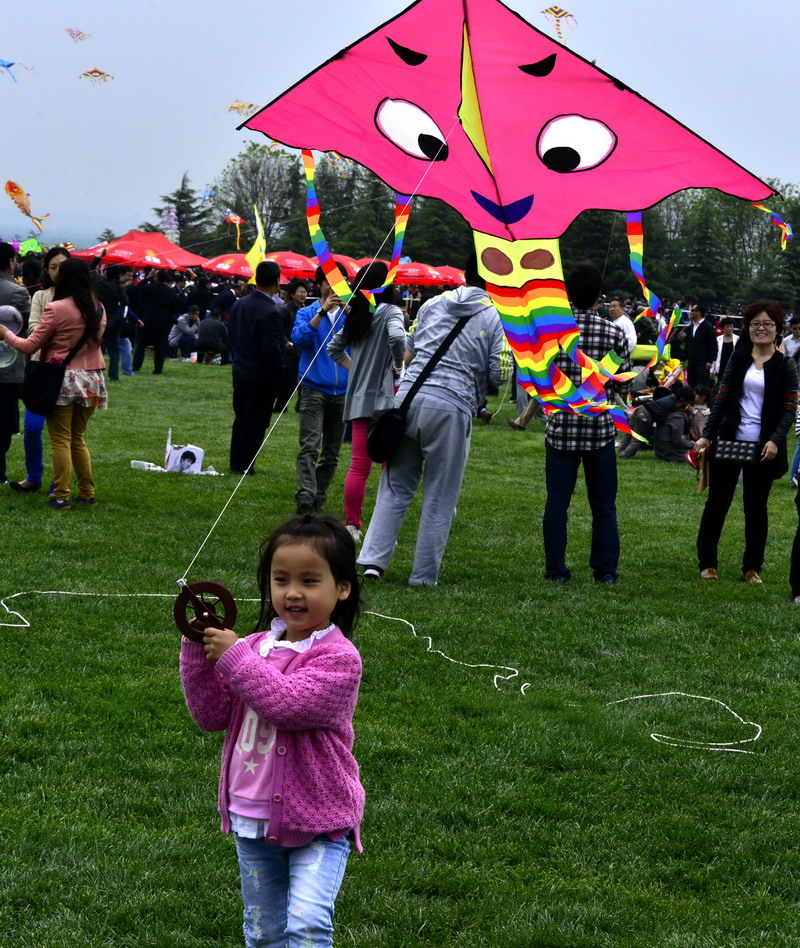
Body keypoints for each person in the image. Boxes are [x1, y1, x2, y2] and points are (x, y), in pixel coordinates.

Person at [180, 514, 364, 948]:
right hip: (252, 817)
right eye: (281, 579)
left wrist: (234, 658)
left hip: (319, 820)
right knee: (264, 933)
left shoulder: (339, 659)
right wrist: (196, 647)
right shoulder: (254, 646)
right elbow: (211, 715)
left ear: (342, 588)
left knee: (306, 923)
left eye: (309, 580)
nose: (293, 592)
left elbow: (290, 705)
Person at [357, 253, 503, 586]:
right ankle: (423, 576)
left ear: (465, 272)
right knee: (440, 494)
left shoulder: (433, 303)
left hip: (408, 400)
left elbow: (410, 348)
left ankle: (372, 562)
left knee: (394, 487)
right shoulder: (496, 317)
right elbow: (498, 372)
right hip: (452, 407)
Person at [695, 302, 798, 582]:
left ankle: (752, 567)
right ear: (748, 328)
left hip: (763, 447)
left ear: (778, 329)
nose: (760, 328)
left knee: (756, 507)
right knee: (718, 502)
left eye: (767, 324)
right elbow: (721, 398)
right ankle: (707, 563)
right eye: (754, 323)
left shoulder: (785, 365)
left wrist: (776, 440)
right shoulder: (738, 359)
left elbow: (790, 407)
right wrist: (707, 434)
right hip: (730, 440)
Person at [542, 263, 632, 584]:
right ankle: (605, 571)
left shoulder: (551, 332)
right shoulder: (615, 333)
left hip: (561, 429)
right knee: (604, 506)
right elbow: (622, 387)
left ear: (567, 292)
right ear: (599, 297)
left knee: (557, 503)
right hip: (599, 431)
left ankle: (556, 571)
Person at [0, 257, 108, 510]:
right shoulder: (99, 308)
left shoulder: (57, 308)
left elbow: (30, 345)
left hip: (63, 380)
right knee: (78, 438)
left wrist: (6, 334)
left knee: (61, 439)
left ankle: (61, 495)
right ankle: (87, 492)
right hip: (92, 378)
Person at [327, 262, 406, 542]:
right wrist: (398, 365)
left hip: (359, 400)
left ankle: (352, 526)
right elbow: (397, 337)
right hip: (385, 401)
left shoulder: (359, 314)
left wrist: (354, 370)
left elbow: (333, 349)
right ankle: (384, 528)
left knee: (359, 466)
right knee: (388, 466)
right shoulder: (391, 312)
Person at [8, 246, 71, 493]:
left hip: (69, 371)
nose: (58, 272)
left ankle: (60, 484)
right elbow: (32, 328)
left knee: (64, 435)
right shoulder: (40, 297)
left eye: (63, 267)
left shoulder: (82, 297)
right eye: (53, 267)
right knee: (33, 429)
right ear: (46, 270)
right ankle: (34, 476)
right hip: (40, 369)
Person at [291, 267, 347, 514]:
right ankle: (305, 495)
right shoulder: (307, 312)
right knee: (310, 446)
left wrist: (349, 312)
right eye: (329, 280)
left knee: (332, 451)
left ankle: (319, 495)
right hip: (314, 388)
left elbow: (369, 336)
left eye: (341, 280)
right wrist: (322, 313)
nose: (335, 285)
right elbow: (299, 339)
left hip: (344, 391)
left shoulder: (351, 314)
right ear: (319, 284)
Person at [228, 260, 287, 476]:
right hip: (261, 375)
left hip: (241, 369)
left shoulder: (240, 303)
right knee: (256, 422)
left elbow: (232, 335)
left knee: (241, 418)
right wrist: (281, 374)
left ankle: (236, 462)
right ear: (277, 281)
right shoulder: (270, 310)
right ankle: (245, 465)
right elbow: (271, 349)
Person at [133, 269, 179, 375]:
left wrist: (147, 278)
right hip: (162, 321)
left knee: (141, 344)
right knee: (160, 347)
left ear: (156, 277)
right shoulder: (171, 291)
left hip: (148, 319)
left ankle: (136, 366)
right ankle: (158, 369)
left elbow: (137, 289)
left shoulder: (150, 288)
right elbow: (174, 308)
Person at [277, 278, 308, 410]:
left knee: (303, 380)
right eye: (300, 292)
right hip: (288, 351)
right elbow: (278, 330)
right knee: (288, 381)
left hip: (302, 350)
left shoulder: (307, 310)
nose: (303, 295)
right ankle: (281, 405)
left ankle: (300, 406)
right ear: (292, 294)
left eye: (305, 292)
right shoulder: (284, 310)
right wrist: (286, 342)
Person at [685, 305, 717, 387]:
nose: (690, 312)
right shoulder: (692, 326)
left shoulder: (708, 326)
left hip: (703, 362)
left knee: (701, 385)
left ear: (698, 312)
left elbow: (713, 344)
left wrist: (710, 360)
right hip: (692, 361)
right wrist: (684, 358)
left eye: (692, 310)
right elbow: (688, 343)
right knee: (691, 383)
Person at [710, 317, 739, 381]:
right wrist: (712, 370)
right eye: (727, 327)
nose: (729, 329)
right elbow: (714, 356)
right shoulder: (718, 340)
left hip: (733, 368)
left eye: (731, 327)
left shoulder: (738, 339)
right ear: (723, 328)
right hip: (721, 368)